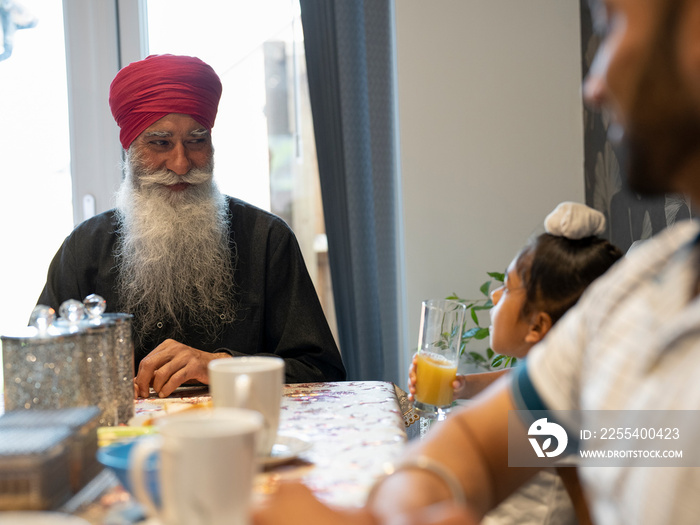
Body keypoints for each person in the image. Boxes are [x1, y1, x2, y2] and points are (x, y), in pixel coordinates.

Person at [252, 0, 700, 523]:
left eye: (613, 25)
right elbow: (483, 445)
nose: (593, 86)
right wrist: (408, 507)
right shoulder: (638, 290)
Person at [37, 54, 346, 398]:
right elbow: (39, 371)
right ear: (129, 148)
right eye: (160, 143)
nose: (182, 164)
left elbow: (323, 373)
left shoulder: (267, 240)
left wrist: (222, 365)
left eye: (197, 141)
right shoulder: (84, 249)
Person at [407, 201, 622, 524]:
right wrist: (464, 386)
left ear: (536, 326)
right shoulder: (563, 382)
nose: (494, 296)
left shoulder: (548, 419)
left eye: (507, 287)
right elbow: (522, 378)